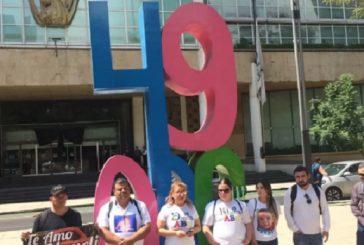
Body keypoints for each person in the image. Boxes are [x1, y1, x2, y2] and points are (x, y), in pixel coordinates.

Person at [96, 176, 151, 245]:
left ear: (129, 190)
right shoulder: (106, 208)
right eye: (119, 189)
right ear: (114, 192)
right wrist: (120, 242)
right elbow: (102, 230)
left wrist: (130, 240)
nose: (123, 191)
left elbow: (147, 227)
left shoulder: (140, 205)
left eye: (126, 188)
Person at [284, 165, 330, 245]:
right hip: (300, 235)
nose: (300, 179)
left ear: (308, 176)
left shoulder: (317, 190)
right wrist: (295, 229)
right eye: (297, 177)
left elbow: (325, 210)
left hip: (317, 235)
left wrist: (326, 228)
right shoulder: (290, 192)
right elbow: (287, 213)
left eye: (303, 176)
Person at [202, 178, 253, 245]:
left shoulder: (241, 205)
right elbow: (206, 226)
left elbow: (248, 223)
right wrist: (212, 241)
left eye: (226, 190)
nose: (223, 193)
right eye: (220, 190)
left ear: (231, 189)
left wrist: (248, 239)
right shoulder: (212, 206)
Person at [157, 180, 201, 245]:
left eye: (183, 191)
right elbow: (159, 230)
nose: (181, 194)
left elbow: (198, 226)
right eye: (178, 192)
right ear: (172, 194)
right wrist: (175, 233)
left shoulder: (191, 207)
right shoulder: (166, 208)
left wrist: (192, 231)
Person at [247, 180, 280, 245]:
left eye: (261, 187)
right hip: (258, 241)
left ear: (267, 189)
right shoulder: (252, 203)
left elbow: (276, 220)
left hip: (273, 240)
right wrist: (253, 240)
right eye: (257, 188)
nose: (259, 190)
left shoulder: (274, 202)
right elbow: (250, 224)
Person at [350, 162, 364, 245]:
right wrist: (361, 219)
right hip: (362, 223)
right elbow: (353, 205)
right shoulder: (357, 187)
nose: (360, 176)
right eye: (359, 174)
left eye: (363, 174)